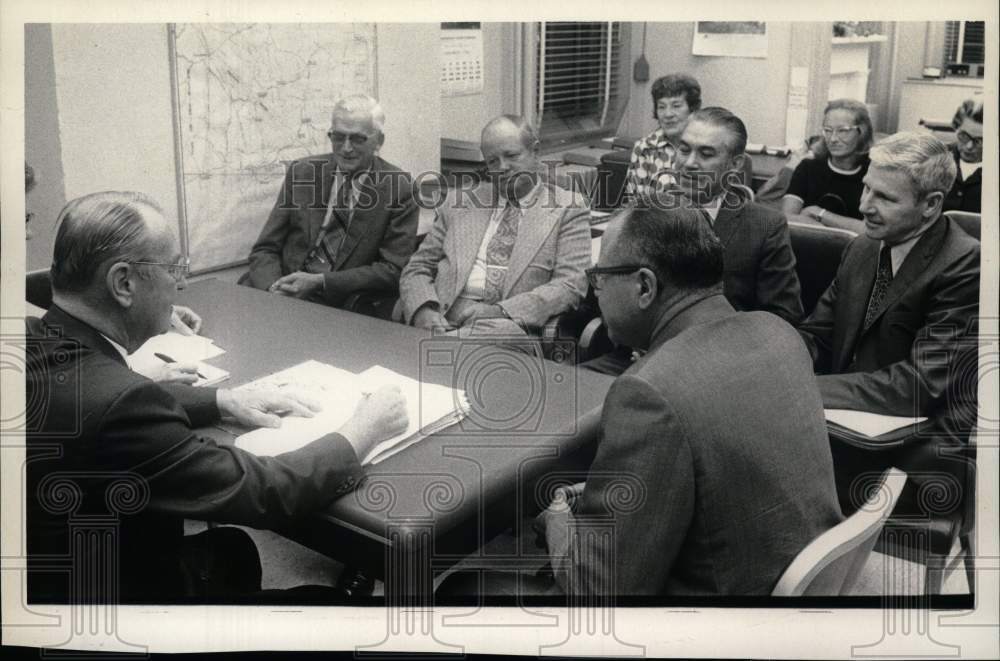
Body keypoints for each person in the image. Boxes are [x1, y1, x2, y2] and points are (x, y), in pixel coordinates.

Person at [26, 191, 409, 603]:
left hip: (57, 573)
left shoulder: (32, 337)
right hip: (118, 604)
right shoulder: (122, 404)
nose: (182, 282)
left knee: (233, 551)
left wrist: (220, 400)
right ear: (123, 283)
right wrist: (362, 430)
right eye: (173, 268)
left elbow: (106, 399)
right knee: (342, 608)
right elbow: (262, 492)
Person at [444, 206, 842, 597]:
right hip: (779, 578)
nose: (595, 294)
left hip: (702, 630)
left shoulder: (648, 392)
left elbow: (600, 592)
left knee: (462, 587)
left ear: (645, 286)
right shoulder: (780, 334)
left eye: (598, 279)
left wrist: (558, 519)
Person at [797, 132, 980, 510]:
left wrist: (799, 389)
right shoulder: (863, 246)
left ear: (931, 205)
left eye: (884, 197)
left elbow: (916, 388)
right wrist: (772, 368)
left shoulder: (966, 264)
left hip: (919, 450)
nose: (864, 206)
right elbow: (818, 335)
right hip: (848, 422)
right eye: (866, 188)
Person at [583, 107, 803, 375]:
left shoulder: (764, 227)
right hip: (631, 360)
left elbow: (781, 321)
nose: (688, 163)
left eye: (706, 154)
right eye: (684, 149)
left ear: (735, 164)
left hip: (714, 369)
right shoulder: (643, 213)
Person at [399, 114, 590, 342]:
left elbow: (570, 286)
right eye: (492, 161)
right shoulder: (460, 201)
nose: (502, 167)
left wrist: (499, 311)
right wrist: (423, 310)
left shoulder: (567, 207)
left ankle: (434, 350)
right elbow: (417, 267)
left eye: (511, 156)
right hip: (443, 319)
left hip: (508, 326)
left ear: (535, 152)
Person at [245, 94, 418, 309]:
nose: (346, 148)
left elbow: (393, 269)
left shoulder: (399, 187)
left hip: (335, 301)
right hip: (279, 291)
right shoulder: (303, 172)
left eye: (357, 138)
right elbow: (265, 249)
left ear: (379, 141)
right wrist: (273, 289)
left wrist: (321, 282)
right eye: (338, 137)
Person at [783, 98, 874, 233]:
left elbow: (871, 231)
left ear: (862, 132)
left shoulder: (874, 172)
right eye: (828, 130)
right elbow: (787, 220)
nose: (833, 139)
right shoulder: (808, 168)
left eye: (843, 131)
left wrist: (818, 213)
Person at [624, 74, 701, 201]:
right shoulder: (645, 147)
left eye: (676, 106)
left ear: (692, 109)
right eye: (661, 107)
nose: (668, 114)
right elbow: (636, 203)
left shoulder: (706, 146)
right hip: (654, 219)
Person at [943, 98, 983, 213]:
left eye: (979, 141)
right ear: (956, 128)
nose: (969, 146)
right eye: (964, 136)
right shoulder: (937, 157)